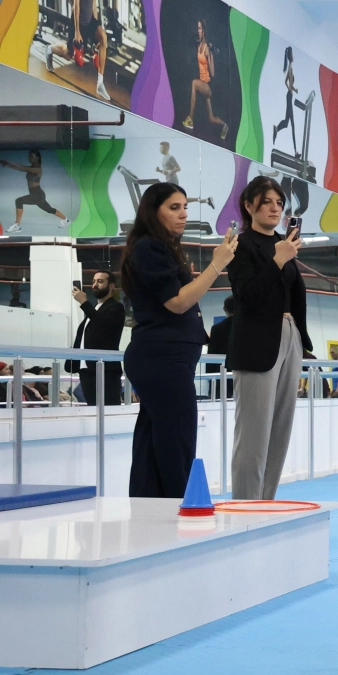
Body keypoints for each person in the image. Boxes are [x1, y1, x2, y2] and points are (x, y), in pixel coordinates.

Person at [118, 183, 237, 497]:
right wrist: (217, 265)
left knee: (154, 441)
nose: (184, 214)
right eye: (174, 207)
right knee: (177, 441)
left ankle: (148, 510)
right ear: (153, 211)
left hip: (166, 358)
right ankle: (179, 508)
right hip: (161, 359)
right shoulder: (148, 247)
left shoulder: (161, 249)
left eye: (185, 207)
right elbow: (178, 302)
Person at [226, 175, 312, 500]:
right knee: (254, 433)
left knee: (280, 429)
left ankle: (267, 500)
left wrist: (302, 340)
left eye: (279, 202)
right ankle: (247, 502)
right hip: (257, 339)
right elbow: (246, 296)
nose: (275, 208)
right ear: (249, 206)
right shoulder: (242, 244)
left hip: (289, 336)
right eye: (267, 202)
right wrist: (278, 259)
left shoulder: (283, 243)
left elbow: (292, 294)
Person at [71, 270, 125, 405]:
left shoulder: (116, 307)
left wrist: (84, 302)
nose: (95, 285)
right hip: (87, 369)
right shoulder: (96, 308)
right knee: (93, 408)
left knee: (108, 408)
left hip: (105, 369)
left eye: (100, 281)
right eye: (93, 281)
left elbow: (102, 326)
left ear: (112, 286)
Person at [182, 19, 228, 141]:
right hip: (203, 84)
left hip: (208, 86)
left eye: (200, 28)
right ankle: (225, 125)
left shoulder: (207, 49)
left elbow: (212, 73)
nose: (198, 31)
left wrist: (211, 56)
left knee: (194, 83)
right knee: (211, 118)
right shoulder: (199, 46)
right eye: (197, 28)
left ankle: (190, 119)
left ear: (204, 31)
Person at [2, 151, 70, 233]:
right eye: (29, 156)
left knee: (19, 201)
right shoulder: (31, 167)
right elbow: (21, 168)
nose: (29, 158)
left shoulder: (37, 169)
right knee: (49, 209)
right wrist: (8, 164)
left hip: (37, 194)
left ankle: (17, 225)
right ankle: (65, 219)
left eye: (31, 156)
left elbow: (23, 168)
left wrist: (8, 163)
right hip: (36, 194)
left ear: (37, 158)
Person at [270, 47, 297, 147]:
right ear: (290, 56)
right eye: (293, 54)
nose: (294, 56)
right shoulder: (290, 67)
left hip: (289, 95)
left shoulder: (290, 67)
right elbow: (289, 85)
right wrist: (294, 89)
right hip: (289, 96)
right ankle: (296, 151)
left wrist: (290, 89)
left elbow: (286, 82)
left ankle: (276, 129)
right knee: (292, 124)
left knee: (286, 123)